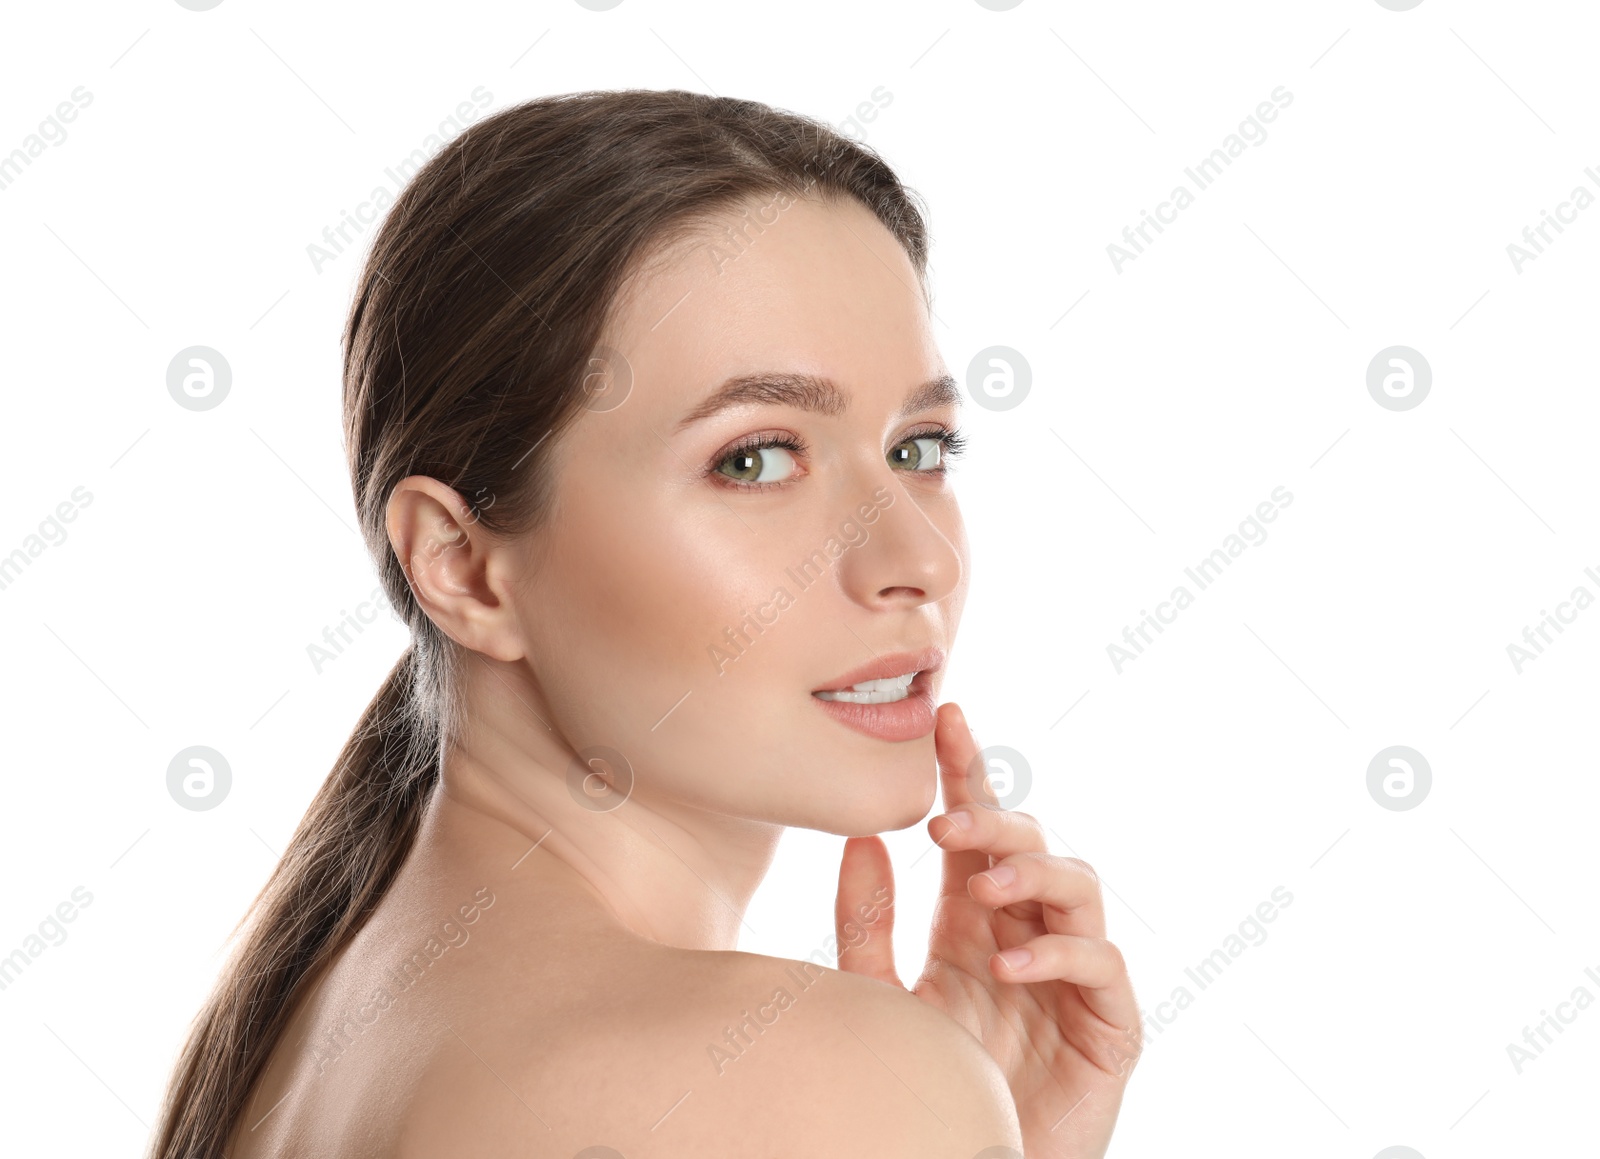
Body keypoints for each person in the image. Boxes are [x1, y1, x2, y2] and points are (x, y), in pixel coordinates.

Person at [148, 88, 1140, 1159]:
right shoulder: (805, 1079)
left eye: (919, 448)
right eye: (754, 459)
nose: (921, 560)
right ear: (463, 566)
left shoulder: (308, 1035)